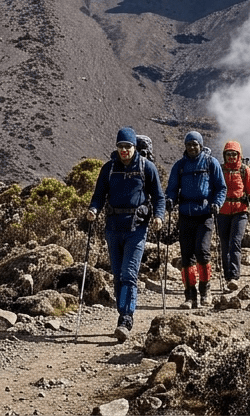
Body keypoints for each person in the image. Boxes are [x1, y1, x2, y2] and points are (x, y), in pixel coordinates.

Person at [86, 127, 166, 341]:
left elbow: (158, 197)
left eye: (128, 147)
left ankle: (126, 318)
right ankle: (123, 311)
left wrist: (159, 216)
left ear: (134, 147)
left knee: (129, 273)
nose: (124, 150)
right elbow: (98, 195)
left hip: (137, 229)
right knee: (117, 275)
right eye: (121, 146)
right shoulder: (109, 169)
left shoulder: (146, 167)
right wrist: (93, 209)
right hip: (113, 228)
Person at [165, 130, 226, 309]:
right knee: (186, 257)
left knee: (202, 252)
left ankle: (205, 291)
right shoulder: (180, 166)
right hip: (185, 215)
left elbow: (221, 188)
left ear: (200, 145)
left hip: (205, 215)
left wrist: (217, 203)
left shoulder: (210, 163)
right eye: (189, 144)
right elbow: (172, 188)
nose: (192, 147)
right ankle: (189, 295)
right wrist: (170, 200)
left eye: (195, 144)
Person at [216, 140, 250, 291]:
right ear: (225, 155)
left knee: (235, 242)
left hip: (240, 211)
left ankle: (234, 276)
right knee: (224, 244)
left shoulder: (244, 170)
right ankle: (227, 276)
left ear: (239, 155)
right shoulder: (220, 170)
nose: (231, 157)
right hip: (223, 211)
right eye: (229, 154)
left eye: (234, 154)